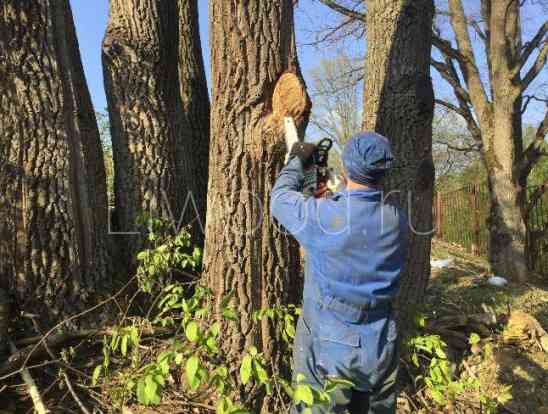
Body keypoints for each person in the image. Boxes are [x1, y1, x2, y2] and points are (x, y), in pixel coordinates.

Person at [270, 132, 409, 414]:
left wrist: (297, 159)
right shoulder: (397, 220)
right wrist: (325, 193)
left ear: (345, 168)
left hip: (331, 344)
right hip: (382, 342)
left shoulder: (322, 217)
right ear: (384, 171)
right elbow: (352, 218)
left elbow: (280, 198)